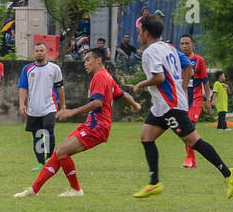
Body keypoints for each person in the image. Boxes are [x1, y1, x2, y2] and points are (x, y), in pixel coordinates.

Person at [131, 16, 233, 199]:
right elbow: (188, 66)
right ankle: (154, 183)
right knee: (146, 136)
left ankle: (229, 174)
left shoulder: (149, 52)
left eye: (139, 30)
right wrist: (179, 90)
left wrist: (140, 85)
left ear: (146, 33)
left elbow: (159, 78)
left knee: (193, 141)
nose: (138, 34)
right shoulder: (168, 47)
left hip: (170, 106)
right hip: (164, 105)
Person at [14, 47, 141, 198]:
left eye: (88, 60)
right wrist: (135, 105)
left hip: (97, 127)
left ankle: (75, 189)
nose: (85, 64)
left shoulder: (100, 77)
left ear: (98, 60)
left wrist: (71, 112)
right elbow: (122, 94)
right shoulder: (107, 76)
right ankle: (34, 190)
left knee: (62, 151)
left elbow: (97, 103)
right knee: (59, 152)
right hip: (93, 125)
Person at [18, 41, 66, 170]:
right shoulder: (27, 69)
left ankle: (50, 159)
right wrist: (22, 104)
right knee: (37, 135)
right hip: (33, 109)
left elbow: (60, 88)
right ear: (34, 53)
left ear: (46, 52)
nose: (39, 53)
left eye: (41, 51)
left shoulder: (54, 69)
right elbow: (23, 88)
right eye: (37, 51)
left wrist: (63, 106)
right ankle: (40, 163)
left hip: (50, 106)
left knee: (48, 129)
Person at [178, 34, 211, 168]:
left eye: (187, 43)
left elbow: (205, 81)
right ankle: (193, 160)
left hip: (195, 100)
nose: (185, 46)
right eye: (182, 43)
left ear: (193, 45)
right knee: (184, 130)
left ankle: (189, 158)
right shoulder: (177, 60)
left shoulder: (199, 60)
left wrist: (208, 99)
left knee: (189, 127)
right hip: (182, 100)